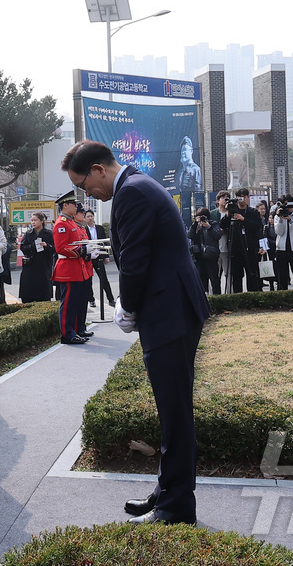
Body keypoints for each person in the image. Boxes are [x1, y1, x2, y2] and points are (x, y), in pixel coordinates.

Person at [61, 140, 210, 527]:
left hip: (169, 312)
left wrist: (126, 304)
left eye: (84, 184)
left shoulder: (131, 193)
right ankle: (167, 490)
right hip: (172, 309)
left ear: (98, 169)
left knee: (175, 412)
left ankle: (177, 505)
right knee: (172, 408)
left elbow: (136, 258)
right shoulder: (139, 185)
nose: (86, 194)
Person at [52, 191, 92, 344]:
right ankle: (67, 334)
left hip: (76, 268)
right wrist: (82, 251)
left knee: (75, 302)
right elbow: (61, 248)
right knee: (68, 304)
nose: (76, 207)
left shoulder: (70, 222)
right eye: (74, 204)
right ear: (65, 205)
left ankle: (74, 330)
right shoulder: (62, 223)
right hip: (68, 270)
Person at [220, 188, 265, 292]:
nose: (242, 199)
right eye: (239, 197)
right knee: (236, 276)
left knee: (252, 274)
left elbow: (257, 226)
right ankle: (238, 299)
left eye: (244, 197)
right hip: (236, 248)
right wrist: (228, 214)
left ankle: (252, 298)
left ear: (248, 197)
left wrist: (243, 219)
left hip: (250, 247)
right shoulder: (232, 211)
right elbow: (222, 225)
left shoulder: (253, 212)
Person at [18, 213, 55, 303]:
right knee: (28, 291)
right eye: (32, 220)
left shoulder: (49, 233)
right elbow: (23, 248)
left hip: (44, 265)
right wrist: (32, 246)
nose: (33, 222)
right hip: (30, 265)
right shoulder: (28, 234)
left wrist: (47, 246)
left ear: (41, 221)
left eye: (35, 220)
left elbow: (55, 249)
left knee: (43, 292)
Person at [84, 209, 116, 309]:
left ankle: (110, 299)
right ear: (85, 218)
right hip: (88, 257)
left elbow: (105, 243)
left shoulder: (99, 228)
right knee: (88, 280)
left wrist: (106, 256)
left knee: (103, 278)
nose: (90, 218)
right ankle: (91, 300)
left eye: (91, 216)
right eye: (88, 216)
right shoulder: (83, 230)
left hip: (99, 255)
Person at [271, 196, 293, 290]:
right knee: (282, 276)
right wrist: (280, 219)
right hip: (281, 249)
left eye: (289, 204)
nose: (287, 207)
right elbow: (278, 232)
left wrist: (290, 220)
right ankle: (282, 296)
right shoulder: (277, 216)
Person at [188, 207, 222, 294]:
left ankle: (217, 298)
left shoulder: (213, 224)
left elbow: (218, 235)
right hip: (198, 256)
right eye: (199, 217)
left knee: (214, 280)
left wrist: (209, 227)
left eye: (203, 217)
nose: (201, 219)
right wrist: (195, 223)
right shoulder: (196, 226)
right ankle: (205, 299)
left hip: (210, 256)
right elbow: (189, 235)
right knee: (201, 281)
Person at [174, 136, 203, 204]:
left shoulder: (196, 170)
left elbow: (198, 191)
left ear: (191, 151)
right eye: (182, 151)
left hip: (192, 203)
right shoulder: (181, 171)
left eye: (185, 150)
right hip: (182, 202)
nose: (183, 153)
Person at [215, 191, 233, 295]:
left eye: (227, 198)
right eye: (223, 198)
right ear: (218, 200)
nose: (225, 200)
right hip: (216, 248)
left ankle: (229, 294)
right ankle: (215, 295)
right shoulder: (213, 213)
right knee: (215, 274)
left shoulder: (231, 213)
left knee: (228, 273)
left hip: (227, 247)